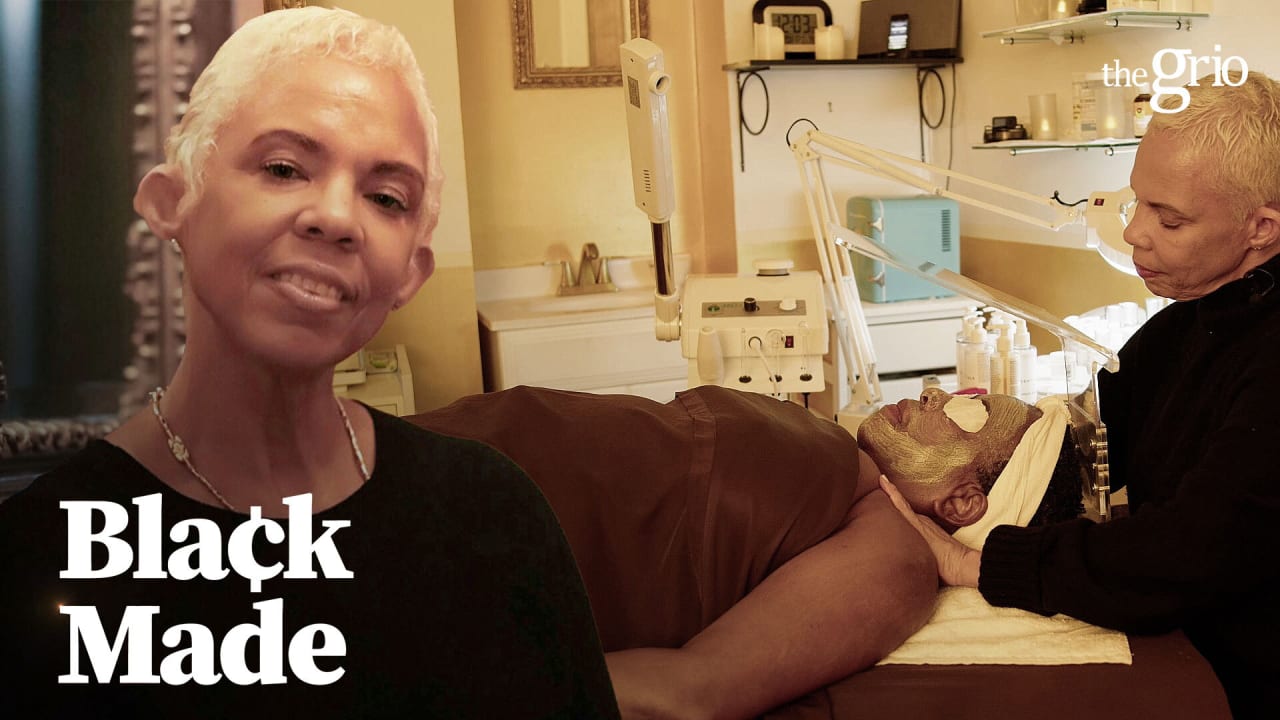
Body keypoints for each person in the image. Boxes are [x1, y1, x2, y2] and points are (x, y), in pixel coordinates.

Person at [0, 8, 618, 718]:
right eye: (284, 168)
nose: (337, 217)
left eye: (386, 198)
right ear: (172, 202)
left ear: (410, 273)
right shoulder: (38, 559)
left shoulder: (494, 515)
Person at [880, 70, 1280, 720]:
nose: (1134, 234)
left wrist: (973, 562)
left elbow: (1188, 553)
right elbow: (1078, 443)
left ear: (1260, 227)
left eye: (1169, 219)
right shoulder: (1187, 324)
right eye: (1137, 202)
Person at [411, 383, 1085, 718]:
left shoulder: (892, 559)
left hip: (454, 542)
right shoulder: (839, 456)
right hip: (452, 452)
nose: (938, 394)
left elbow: (687, 693)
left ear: (963, 503)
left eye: (968, 413)